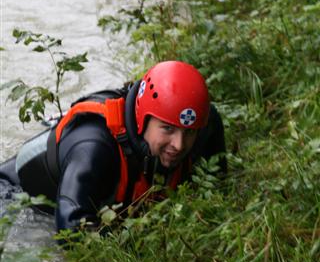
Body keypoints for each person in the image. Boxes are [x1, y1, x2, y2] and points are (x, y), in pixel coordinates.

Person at [0, 61, 227, 234]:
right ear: (142, 119)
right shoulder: (95, 148)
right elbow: (71, 231)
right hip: (15, 198)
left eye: (188, 132)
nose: (179, 144)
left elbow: (218, 193)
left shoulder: (205, 125)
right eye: (167, 129)